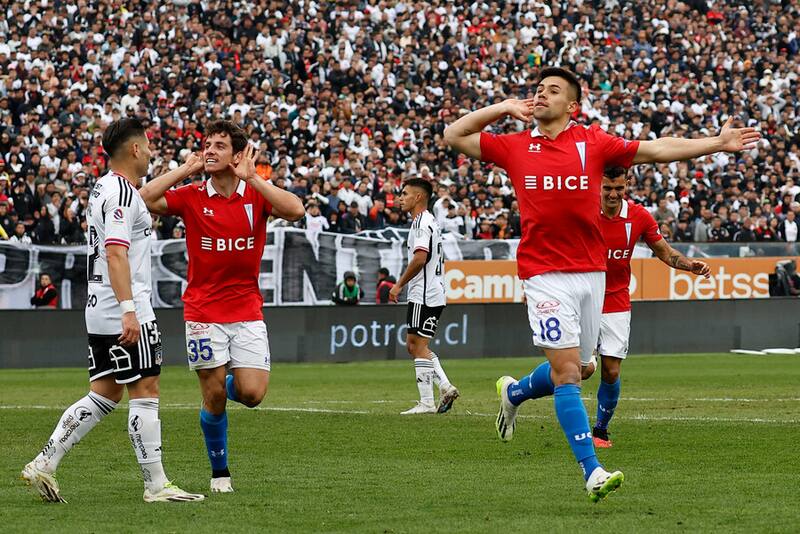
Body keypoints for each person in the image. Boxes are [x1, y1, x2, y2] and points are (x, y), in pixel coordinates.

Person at [444, 67, 758, 501]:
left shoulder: (592, 143)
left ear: (572, 106)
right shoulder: (516, 146)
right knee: (570, 372)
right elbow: (454, 135)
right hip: (543, 275)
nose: (540, 94)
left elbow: (658, 149)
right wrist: (503, 107)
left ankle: (514, 392)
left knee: (584, 369)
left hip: (592, 276)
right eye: (537, 89)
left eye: (552, 90)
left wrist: (717, 143)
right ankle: (592, 470)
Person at [21, 118, 204, 503]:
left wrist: (185, 170)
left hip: (96, 306)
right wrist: (128, 310)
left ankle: (45, 462)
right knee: (146, 390)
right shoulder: (121, 193)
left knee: (104, 393)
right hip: (123, 304)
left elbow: (144, 196)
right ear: (135, 149)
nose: (152, 151)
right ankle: (156, 485)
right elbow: (116, 253)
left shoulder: (108, 186)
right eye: (148, 144)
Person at [140, 120, 304, 494]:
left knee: (252, 394)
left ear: (237, 155)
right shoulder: (193, 195)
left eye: (219, 146)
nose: (210, 150)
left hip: (247, 310)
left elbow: (295, 210)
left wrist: (256, 178)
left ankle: (226, 377)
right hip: (202, 312)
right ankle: (220, 473)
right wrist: (187, 167)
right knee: (213, 399)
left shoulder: (255, 195)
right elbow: (146, 198)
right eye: (206, 145)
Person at [586, 167, 711, 448]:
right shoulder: (583, 210)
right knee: (582, 369)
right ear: (598, 186)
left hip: (617, 299)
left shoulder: (638, 216)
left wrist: (691, 266)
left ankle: (600, 431)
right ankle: (519, 391)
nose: (613, 194)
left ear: (627, 185)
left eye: (619, 188)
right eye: (607, 188)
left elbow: (665, 253)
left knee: (612, 371)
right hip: (583, 296)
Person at [389, 179, 460, 415]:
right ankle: (446, 386)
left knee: (418, 346)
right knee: (415, 345)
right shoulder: (430, 221)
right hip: (433, 291)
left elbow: (420, 258)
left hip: (424, 294)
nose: (400, 198)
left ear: (418, 197)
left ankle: (427, 402)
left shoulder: (421, 223)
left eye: (404, 194)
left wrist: (399, 284)